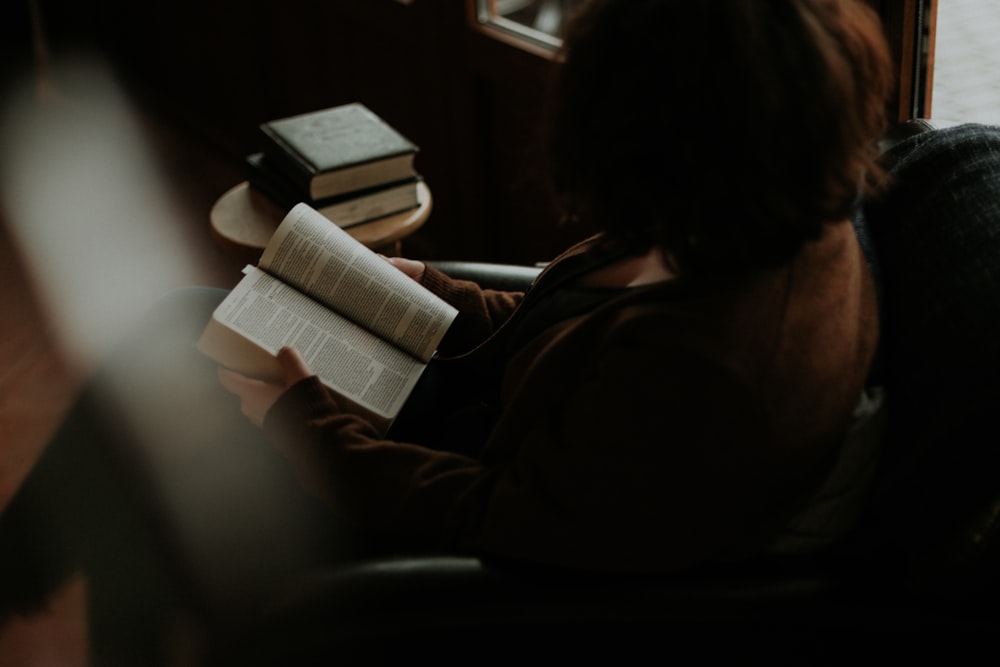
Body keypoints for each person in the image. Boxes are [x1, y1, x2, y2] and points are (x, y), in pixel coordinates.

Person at [14, 0, 997, 659]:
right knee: (179, 328)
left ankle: (51, 590)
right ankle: (22, 569)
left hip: (482, 513)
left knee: (160, 454)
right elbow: (578, 324)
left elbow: (505, 515)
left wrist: (301, 419)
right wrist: (417, 289)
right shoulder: (764, 210)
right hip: (522, 409)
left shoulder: (714, 380)